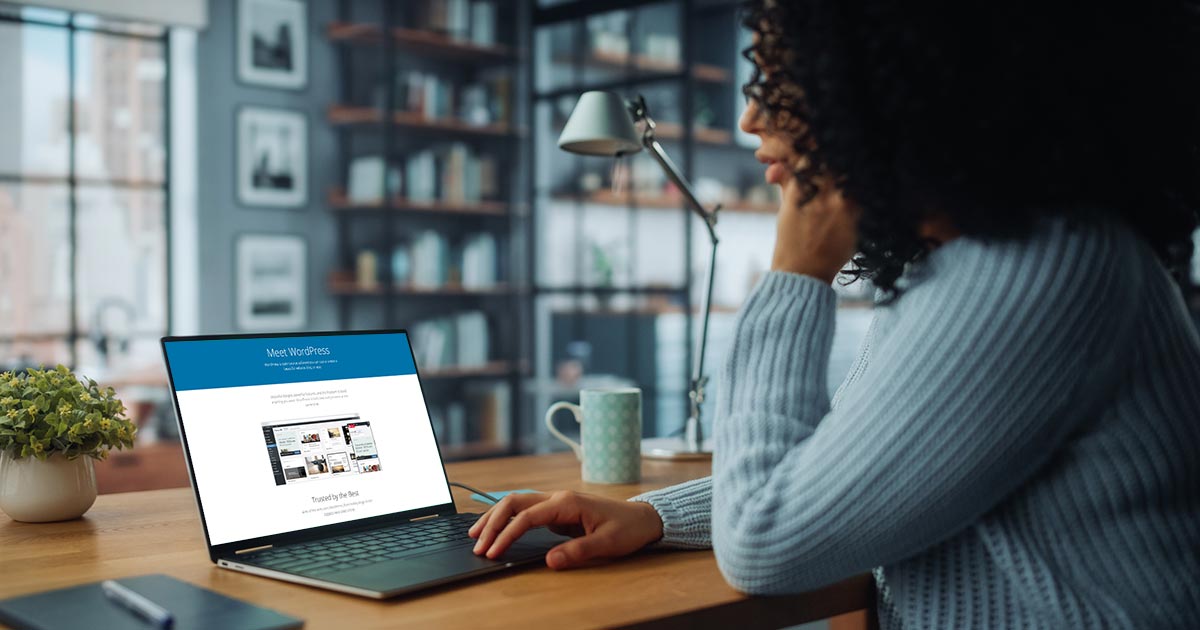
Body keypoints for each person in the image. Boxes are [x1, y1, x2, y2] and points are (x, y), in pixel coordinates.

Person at [471, 1, 1200, 627]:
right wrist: (655, 515)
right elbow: (834, 469)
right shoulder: (964, 264)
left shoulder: (1036, 269)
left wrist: (796, 273)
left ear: (888, 89)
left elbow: (765, 544)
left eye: (780, 82)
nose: (749, 116)